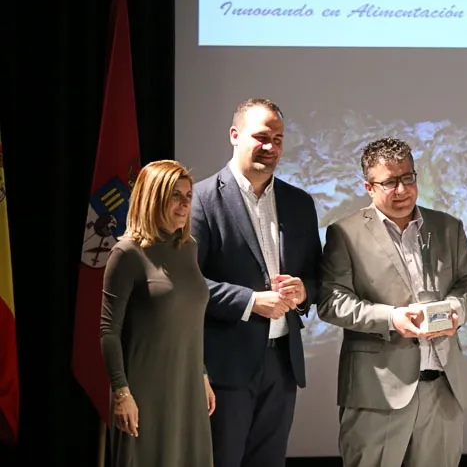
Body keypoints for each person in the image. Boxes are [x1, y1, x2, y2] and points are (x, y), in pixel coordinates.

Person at [316, 137, 467, 467]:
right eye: (389, 182)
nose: (402, 190)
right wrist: (392, 318)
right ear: (368, 186)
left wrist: (457, 308)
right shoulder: (344, 233)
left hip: (443, 388)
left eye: (408, 178)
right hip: (378, 391)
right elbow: (331, 301)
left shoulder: (448, 227)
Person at [191, 99, 322, 467]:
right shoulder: (201, 200)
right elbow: (189, 285)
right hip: (225, 366)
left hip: (283, 364)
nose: (271, 147)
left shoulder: (299, 203)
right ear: (234, 135)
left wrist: (304, 290)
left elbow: (318, 275)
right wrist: (250, 301)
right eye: (261, 136)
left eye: (278, 139)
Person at [100, 159, 214, 467]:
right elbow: (109, 332)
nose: (185, 203)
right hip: (144, 393)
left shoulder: (188, 247)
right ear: (153, 197)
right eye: (175, 195)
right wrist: (122, 393)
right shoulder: (126, 253)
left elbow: (187, 320)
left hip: (187, 386)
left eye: (188, 195)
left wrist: (201, 375)